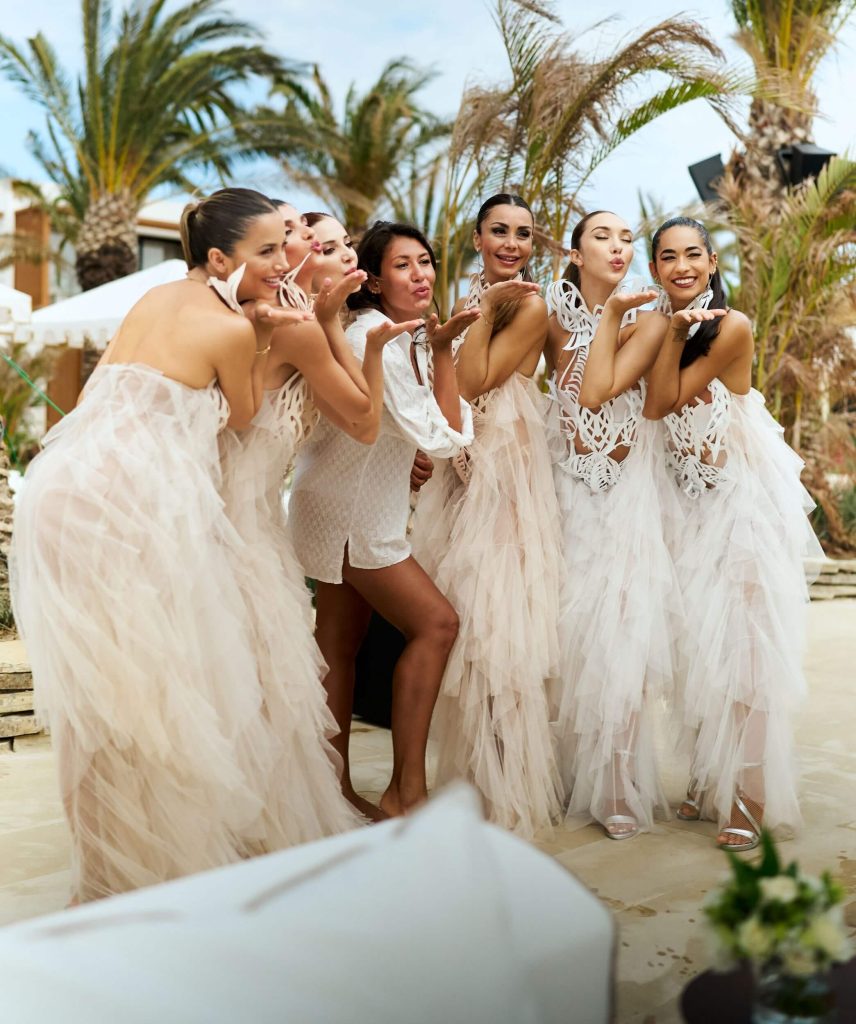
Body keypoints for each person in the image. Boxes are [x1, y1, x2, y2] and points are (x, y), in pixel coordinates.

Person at [10, 188, 317, 902]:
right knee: (162, 693)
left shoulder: (150, 299)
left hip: (61, 487)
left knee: (100, 703)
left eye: (283, 247)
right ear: (218, 257)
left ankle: (104, 873)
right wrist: (270, 330)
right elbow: (242, 417)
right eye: (266, 251)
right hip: (134, 503)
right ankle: (142, 876)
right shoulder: (233, 327)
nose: (281, 264)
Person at [217, 204, 414, 844]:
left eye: (342, 243)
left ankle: (312, 796)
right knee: (258, 666)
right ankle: (267, 809)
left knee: (296, 661)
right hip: (242, 511)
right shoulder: (291, 322)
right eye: (323, 245)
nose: (344, 255)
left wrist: (329, 319)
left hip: (261, 505)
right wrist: (374, 347)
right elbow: (363, 416)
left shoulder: (306, 320)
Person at [643, 216, 823, 850]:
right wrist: (659, 331)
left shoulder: (731, 326)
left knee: (746, 657)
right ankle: (705, 773)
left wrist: (665, 336)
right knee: (696, 649)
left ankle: (748, 794)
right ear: (656, 268)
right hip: (681, 508)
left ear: (712, 263)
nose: (682, 265)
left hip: (740, 507)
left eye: (694, 254)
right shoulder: (659, 327)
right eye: (668, 257)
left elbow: (661, 400)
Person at [288, 220, 477, 819]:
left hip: (341, 496)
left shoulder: (400, 336)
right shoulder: (377, 332)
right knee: (438, 625)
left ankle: (329, 792)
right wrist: (446, 353)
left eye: (425, 262)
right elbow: (443, 438)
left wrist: (437, 349)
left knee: (338, 644)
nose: (421, 275)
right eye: (403, 265)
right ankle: (405, 792)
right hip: (354, 512)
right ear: (372, 278)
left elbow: (419, 435)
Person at [411, 194, 563, 838]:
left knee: (500, 622)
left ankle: (506, 791)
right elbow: (443, 381)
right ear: (477, 238)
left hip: (505, 470)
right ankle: (474, 777)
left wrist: (490, 312)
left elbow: (472, 379)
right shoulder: (471, 294)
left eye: (523, 235)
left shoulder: (528, 304)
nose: (511, 244)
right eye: (498, 231)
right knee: (466, 622)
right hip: (463, 463)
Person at [545, 210, 675, 840]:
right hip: (563, 486)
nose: (618, 247)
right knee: (571, 631)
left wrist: (610, 318)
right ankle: (574, 771)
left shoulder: (648, 321)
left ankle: (620, 780)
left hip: (625, 494)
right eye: (602, 236)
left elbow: (600, 391)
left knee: (622, 629)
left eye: (627, 239)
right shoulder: (547, 318)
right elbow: (508, 389)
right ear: (575, 254)